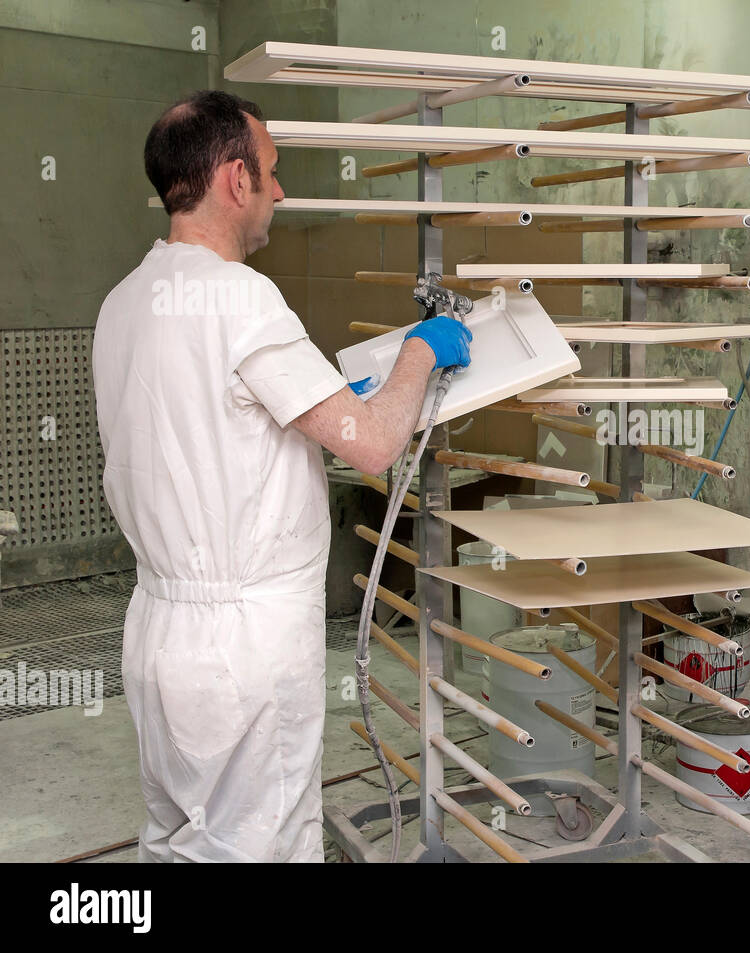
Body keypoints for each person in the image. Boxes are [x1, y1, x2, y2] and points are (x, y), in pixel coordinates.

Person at [92, 90, 470, 862]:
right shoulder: (242, 299)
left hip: (159, 631)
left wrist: (330, 402)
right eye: (272, 172)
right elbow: (369, 447)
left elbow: (207, 421)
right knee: (257, 846)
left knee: (174, 840)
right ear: (235, 180)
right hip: (243, 649)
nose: (281, 191)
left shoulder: (125, 301)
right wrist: (419, 354)